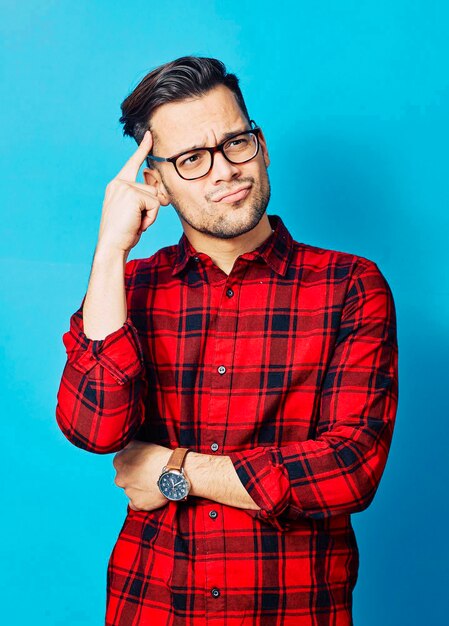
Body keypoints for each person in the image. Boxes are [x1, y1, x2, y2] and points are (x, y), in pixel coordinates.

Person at [55, 55, 399, 626]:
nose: (224, 171)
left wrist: (174, 472)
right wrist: (109, 253)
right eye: (192, 159)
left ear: (260, 146)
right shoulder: (130, 290)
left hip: (292, 610)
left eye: (236, 142)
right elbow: (95, 430)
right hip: (153, 606)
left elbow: (350, 468)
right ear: (157, 183)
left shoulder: (349, 287)